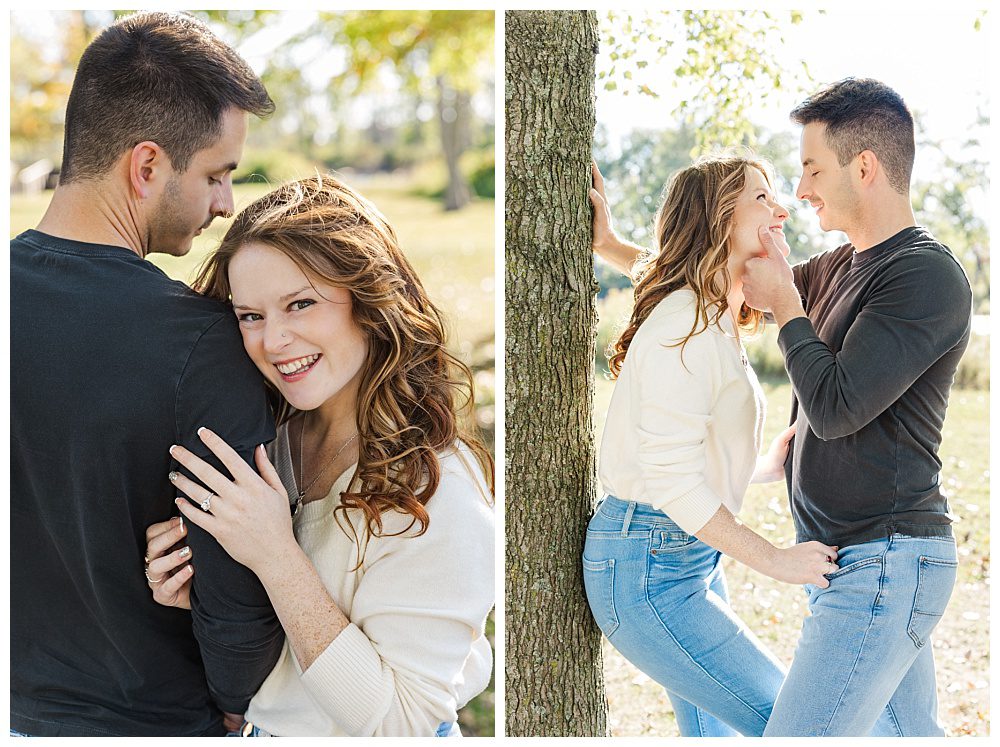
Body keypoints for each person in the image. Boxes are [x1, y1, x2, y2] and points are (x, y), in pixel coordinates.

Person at [593, 78, 972, 737]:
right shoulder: (839, 268)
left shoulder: (922, 274)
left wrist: (790, 307)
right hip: (845, 562)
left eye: (809, 170)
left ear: (864, 167)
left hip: (883, 560)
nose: (797, 195)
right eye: (774, 188)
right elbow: (712, 273)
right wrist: (612, 246)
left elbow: (835, 405)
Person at [10, 12, 285, 737]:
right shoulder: (203, 340)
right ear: (146, 166)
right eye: (217, 174)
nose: (226, 203)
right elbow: (237, 600)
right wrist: (233, 699)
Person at [143, 174, 496, 737]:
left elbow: (401, 724)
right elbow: (290, 646)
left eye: (300, 304)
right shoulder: (269, 439)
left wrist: (274, 554)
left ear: (371, 301)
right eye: (250, 315)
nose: (272, 340)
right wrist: (204, 592)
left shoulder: (438, 487)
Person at [583, 153, 841, 737]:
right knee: (794, 724)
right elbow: (670, 481)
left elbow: (682, 457)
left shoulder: (709, 309)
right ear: (718, 219)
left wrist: (759, 467)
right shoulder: (685, 326)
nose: (781, 210)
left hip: (684, 553)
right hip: (648, 566)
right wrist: (776, 560)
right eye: (761, 198)